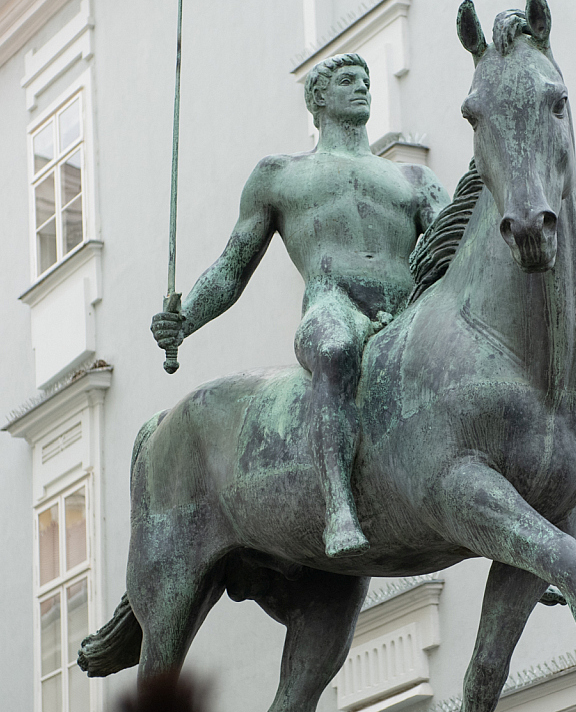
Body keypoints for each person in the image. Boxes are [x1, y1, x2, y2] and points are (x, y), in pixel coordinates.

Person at [152, 53, 449, 557]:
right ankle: (338, 506)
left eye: (366, 81)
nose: (362, 88)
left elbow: (455, 246)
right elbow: (231, 268)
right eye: (348, 81)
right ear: (318, 99)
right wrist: (185, 321)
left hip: (408, 310)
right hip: (336, 305)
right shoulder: (280, 176)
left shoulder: (414, 181)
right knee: (334, 349)